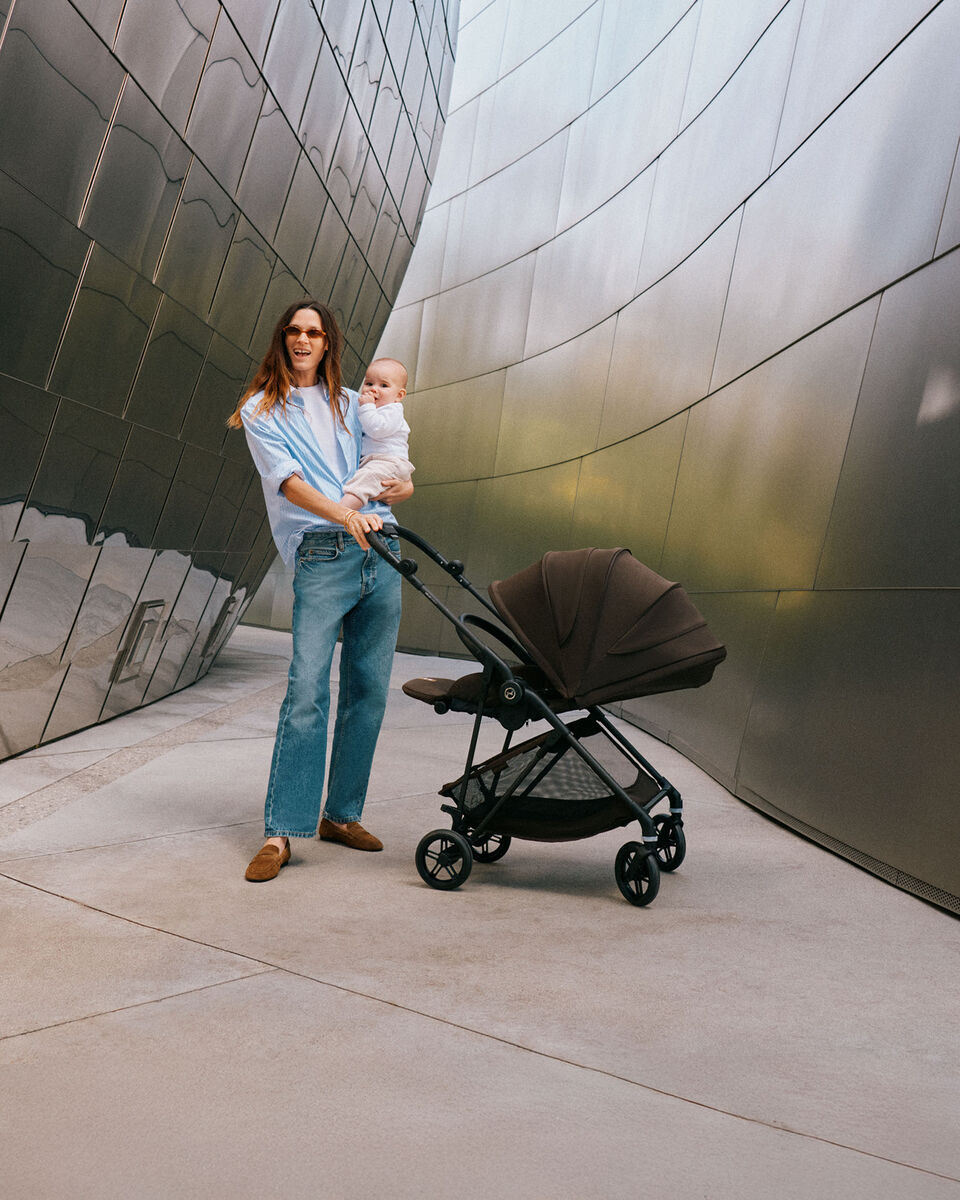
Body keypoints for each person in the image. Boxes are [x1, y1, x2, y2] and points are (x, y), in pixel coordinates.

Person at [227, 300, 413, 882]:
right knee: (306, 693)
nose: (303, 339)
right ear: (283, 339)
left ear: (328, 342)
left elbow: (389, 460)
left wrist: (399, 488)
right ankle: (282, 831)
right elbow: (287, 483)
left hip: (382, 551)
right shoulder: (260, 409)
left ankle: (341, 814)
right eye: (294, 331)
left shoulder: (350, 403)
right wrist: (344, 513)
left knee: (369, 693)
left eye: (314, 332)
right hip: (323, 553)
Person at [340, 357, 414, 511]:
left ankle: (341, 513)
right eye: (369, 383)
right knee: (365, 481)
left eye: (384, 385)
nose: (373, 389)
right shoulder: (373, 409)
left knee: (364, 481)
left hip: (390, 462)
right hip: (378, 461)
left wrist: (367, 407)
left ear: (399, 395)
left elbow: (377, 429)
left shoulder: (393, 410)